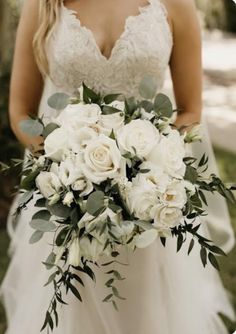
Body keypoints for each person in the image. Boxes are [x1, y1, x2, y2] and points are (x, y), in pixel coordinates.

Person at [1, 0, 235, 333]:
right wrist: (68, 169)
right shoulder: (43, 5)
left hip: (146, 204)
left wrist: (148, 168)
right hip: (68, 207)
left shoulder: (175, 4)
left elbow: (190, 110)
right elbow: (21, 112)